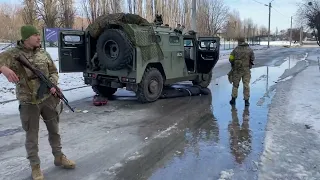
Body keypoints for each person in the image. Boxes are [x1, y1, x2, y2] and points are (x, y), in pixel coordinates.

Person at [0, 25, 75, 180]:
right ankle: (35, 167)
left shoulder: (43, 53)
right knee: (32, 136)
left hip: (47, 98)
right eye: (35, 35)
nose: (39, 38)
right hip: (28, 101)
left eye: (39, 35)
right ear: (27, 38)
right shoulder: (13, 54)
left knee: (54, 130)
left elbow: (53, 71)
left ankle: (59, 157)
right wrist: (4, 69)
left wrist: (52, 84)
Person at [228, 37, 255, 106]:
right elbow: (253, 58)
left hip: (237, 70)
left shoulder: (236, 49)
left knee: (235, 85)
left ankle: (233, 100)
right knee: (246, 85)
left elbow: (231, 58)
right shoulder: (249, 49)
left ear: (239, 42)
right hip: (246, 70)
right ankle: (246, 101)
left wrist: (233, 64)